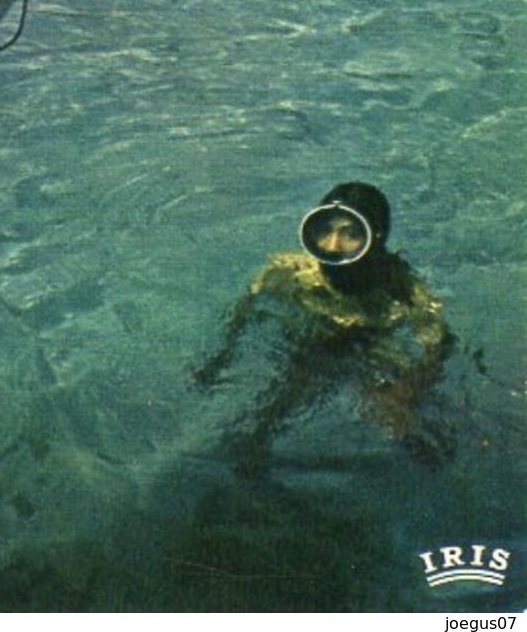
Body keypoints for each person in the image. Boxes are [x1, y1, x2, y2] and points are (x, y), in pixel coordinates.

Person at [193, 182, 454, 475]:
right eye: (325, 230)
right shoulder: (290, 274)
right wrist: (221, 358)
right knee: (281, 397)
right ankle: (251, 449)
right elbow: (245, 310)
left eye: (351, 234)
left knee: (412, 427)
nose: (331, 246)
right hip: (312, 343)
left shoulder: (402, 290)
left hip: (371, 345)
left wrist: (407, 389)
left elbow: (439, 345)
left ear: (376, 239)